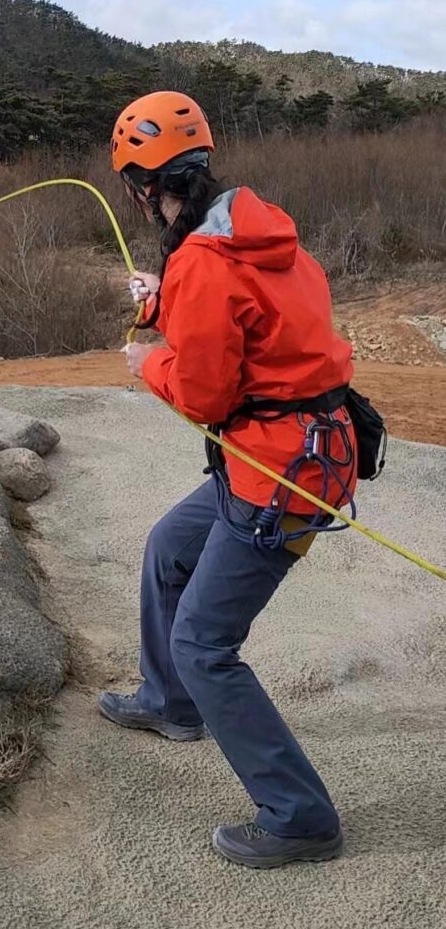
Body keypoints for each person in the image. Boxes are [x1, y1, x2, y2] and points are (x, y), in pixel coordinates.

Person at [99, 91, 357, 869]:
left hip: (279, 474)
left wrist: (151, 364)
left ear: (146, 188)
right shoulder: (254, 237)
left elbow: (206, 394)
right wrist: (163, 305)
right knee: (167, 549)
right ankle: (169, 702)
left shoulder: (207, 265)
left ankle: (299, 816)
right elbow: (253, 331)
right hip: (279, 454)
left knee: (205, 642)